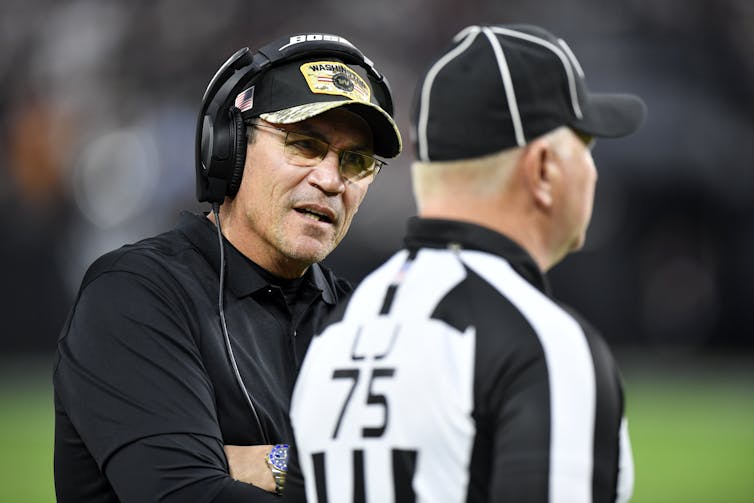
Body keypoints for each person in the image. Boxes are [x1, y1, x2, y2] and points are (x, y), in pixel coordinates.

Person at [284, 24, 646, 502]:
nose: (594, 170)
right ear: (543, 169)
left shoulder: (337, 334)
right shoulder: (543, 344)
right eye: (586, 145)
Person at [53, 32, 402, 502]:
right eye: (304, 144)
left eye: (356, 161)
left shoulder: (365, 323)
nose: (331, 179)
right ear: (229, 149)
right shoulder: (134, 295)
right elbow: (184, 493)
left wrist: (268, 463)